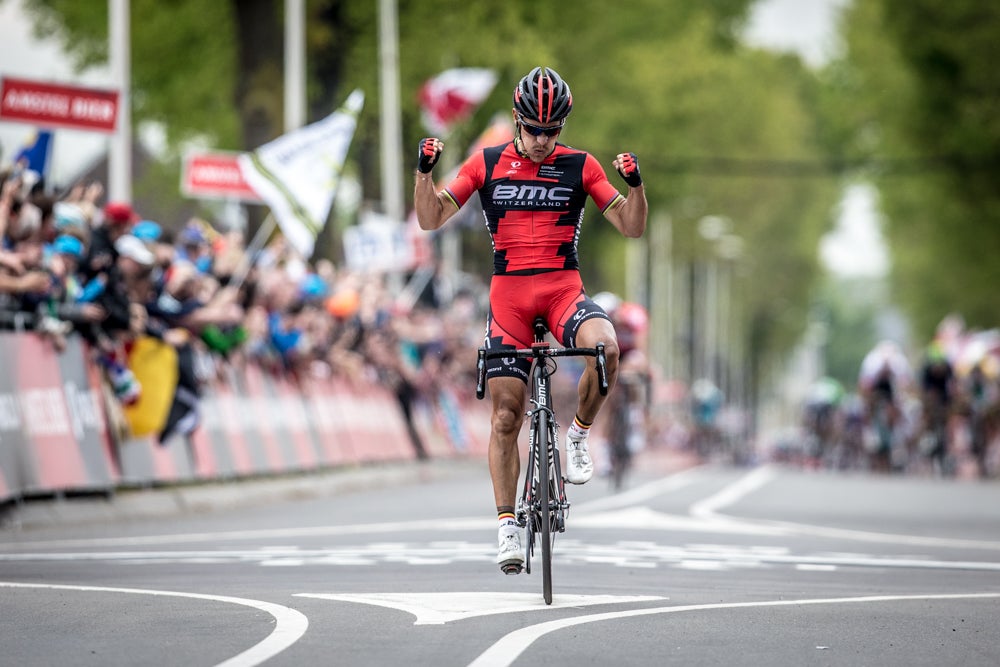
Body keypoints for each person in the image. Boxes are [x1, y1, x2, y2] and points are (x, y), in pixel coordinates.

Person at [413, 66, 648, 572]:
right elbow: (431, 218)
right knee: (504, 417)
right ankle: (506, 528)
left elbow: (630, 226)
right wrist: (423, 174)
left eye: (552, 130)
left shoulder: (581, 166)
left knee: (606, 347)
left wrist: (637, 186)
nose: (542, 140)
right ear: (518, 121)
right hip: (510, 299)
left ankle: (580, 434)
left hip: (563, 290)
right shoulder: (486, 163)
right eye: (534, 129)